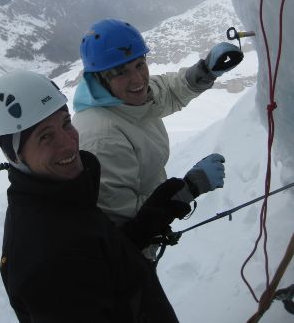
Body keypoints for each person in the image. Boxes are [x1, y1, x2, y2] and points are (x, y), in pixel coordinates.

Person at [0, 69, 194, 322]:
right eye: (46, 136)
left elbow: (100, 258)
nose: (68, 143)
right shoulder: (47, 264)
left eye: (65, 123)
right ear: (15, 156)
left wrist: (156, 214)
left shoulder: (64, 196)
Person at [72, 19, 243, 256]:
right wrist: (188, 189)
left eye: (140, 65)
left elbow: (163, 91)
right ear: (99, 78)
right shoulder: (103, 139)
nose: (138, 79)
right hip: (127, 266)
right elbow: (126, 226)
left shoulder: (123, 98)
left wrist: (204, 71)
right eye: (121, 72)